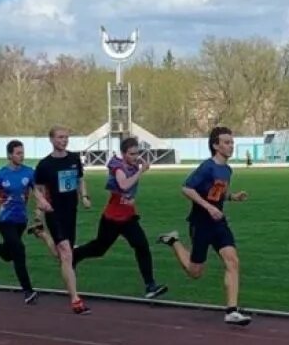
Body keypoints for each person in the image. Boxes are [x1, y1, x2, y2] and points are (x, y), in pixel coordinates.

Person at [157, 126, 251, 326]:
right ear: (216, 145)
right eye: (226, 142)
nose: (231, 146)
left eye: (232, 142)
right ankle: (174, 241)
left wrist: (233, 197)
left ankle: (232, 311)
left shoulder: (227, 170)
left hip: (219, 223)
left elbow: (216, 192)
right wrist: (208, 207)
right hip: (201, 224)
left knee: (232, 261)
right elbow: (186, 188)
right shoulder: (207, 167)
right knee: (195, 272)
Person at [71, 136, 168, 300]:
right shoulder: (118, 167)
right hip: (112, 218)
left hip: (128, 217)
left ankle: (150, 285)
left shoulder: (132, 164)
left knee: (142, 246)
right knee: (99, 249)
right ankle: (74, 256)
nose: (135, 157)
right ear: (123, 154)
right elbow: (123, 185)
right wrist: (140, 171)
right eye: (131, 154)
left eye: (137, 153)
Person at [0, 140, 48, 305]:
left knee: (8, 255)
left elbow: (36, 191)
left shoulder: (29, 172)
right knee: (19, 250)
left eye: (22, 152)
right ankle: (28, 291)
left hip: (21, 220)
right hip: (5, 220)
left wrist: (41, 205)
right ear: (9, 155)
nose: (21, 156)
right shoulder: (0, 175)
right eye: (18, 153)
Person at [32, 126, 91, 314]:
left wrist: (84, 196)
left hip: (70, 212)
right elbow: (38, 190)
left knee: (64, 256)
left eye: (66, 137)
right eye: (59, 137)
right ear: (51, 139)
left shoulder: (74, 159)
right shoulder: (44, 165)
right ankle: (75, 299)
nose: (63, 140)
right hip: (53, 212)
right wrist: (39, 210)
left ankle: (42, 235)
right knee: (66, 252)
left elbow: (80, 179)